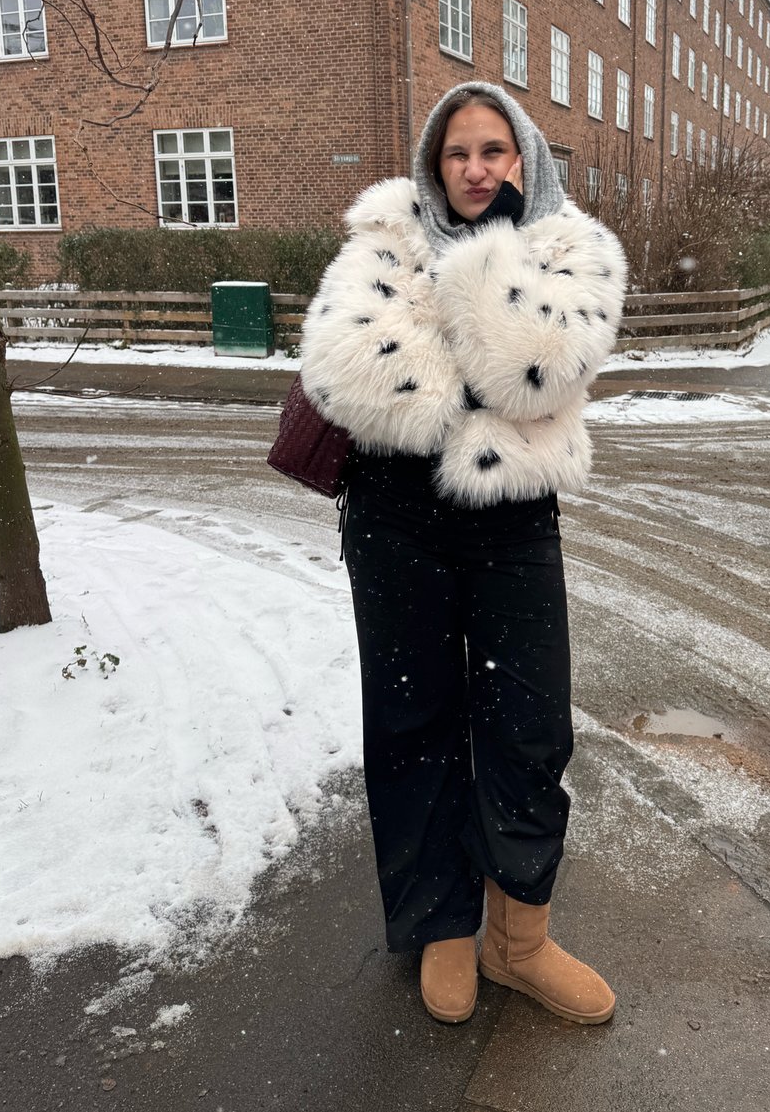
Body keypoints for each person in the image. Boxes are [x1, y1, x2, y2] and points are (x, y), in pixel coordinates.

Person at [300, 82, 627, 1025]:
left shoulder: (575, 251)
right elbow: (341, 371)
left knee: (530, 723)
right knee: (414, 720)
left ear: (525, 158)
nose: (476, 170)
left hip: (514, 518)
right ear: (431, 166)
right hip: (396, 516)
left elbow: (533, 372)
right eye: (457, 154)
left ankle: (519, 938)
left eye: (494, 151)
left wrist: (480, 267)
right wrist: (461, 378)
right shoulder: (382, 237)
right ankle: (441, 923)